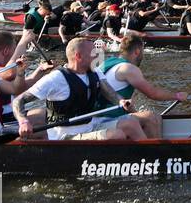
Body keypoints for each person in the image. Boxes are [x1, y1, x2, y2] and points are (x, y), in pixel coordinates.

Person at [12, 38, 144, 140]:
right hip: (65, 135)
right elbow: (18, 100)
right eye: (93, 53)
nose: (97, 56)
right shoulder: (56, 78)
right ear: (78, 56)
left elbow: (109, 92)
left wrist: (121, 101)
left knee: (131, 123)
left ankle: (150, 159)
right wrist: (23, 122)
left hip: (90, 125)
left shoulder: (94, 71)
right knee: (117, 135)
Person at [94, 32, 187, 139]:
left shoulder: (107, 63)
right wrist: (177, 96)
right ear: (137, 51)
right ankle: (157, 154)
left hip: (99, 116)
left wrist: (136, 113)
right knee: (152, 117)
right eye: (142, 52)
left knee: (142, 114)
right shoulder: (128, 68)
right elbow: (153, 93)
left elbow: (126, 105)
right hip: (106, 119)